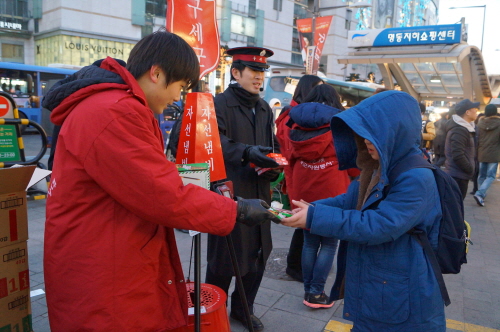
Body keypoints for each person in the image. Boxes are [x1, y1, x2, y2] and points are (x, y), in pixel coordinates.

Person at [42, 30, 279, 332]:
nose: (176, 98)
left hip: (108, 250)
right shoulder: (114, 112)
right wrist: (235, 211)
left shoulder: (117, 105)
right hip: (103, 269)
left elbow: (147, 179)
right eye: (179, 87)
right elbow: (163, 193)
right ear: (156, 73)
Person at [281, 90, 445, 332]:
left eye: (373, 134)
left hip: (402, 290)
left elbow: (379, 225)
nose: (366, 140)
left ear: (395, 131)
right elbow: (349, 200)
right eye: (363, 133)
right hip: (381, 281)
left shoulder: (416, 176)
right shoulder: (377, 165)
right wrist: (312, 208)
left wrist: (315, 217)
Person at [205, 46, 281, 332]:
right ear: (236, 72)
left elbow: (271, 146)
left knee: (258, 256)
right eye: (254, 71)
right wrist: (248, 152)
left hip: (259, 193)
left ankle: (243, 309)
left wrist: (274, 164)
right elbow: (214, 143)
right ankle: (214, 311)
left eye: (263, 72)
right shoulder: (218, 104)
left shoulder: (263, 108)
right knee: (223, 259)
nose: (260, 78)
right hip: (229, 194)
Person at [286, 84, 353, 308]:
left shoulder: (295, 124)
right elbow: (353, 167)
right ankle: (316, 293)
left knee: (309, 243)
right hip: (334, 192)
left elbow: (290, 161)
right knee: (329, 244)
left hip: (304, 190)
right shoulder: (341, 126)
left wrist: (292, 193)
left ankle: (309, 291)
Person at [275, 74, 323, 283]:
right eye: (317, 89)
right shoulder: (293, 115)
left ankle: (296, 266)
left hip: (299, 172)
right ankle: (295, 267)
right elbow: (289, 149)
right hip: (296, 172)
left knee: (304, 223)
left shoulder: (298, 112)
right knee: (303, 224)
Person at [444, 98, 478, 199]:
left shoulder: (464, 128)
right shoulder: (460, 130)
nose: (476, 111)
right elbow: (458, 154)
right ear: (467, 112)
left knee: (455, 207)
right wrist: (469, 169)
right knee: (455, 209)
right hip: (457, 176)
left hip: (458, 174)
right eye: (474, 109)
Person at [473, 104, 500, 206]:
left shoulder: (480, 123)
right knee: (491, 176)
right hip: (494, 153)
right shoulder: (499, 123)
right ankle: (480, 193)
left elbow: (477, 138)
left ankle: (481, 194)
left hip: (481, 152)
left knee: (482, 175)